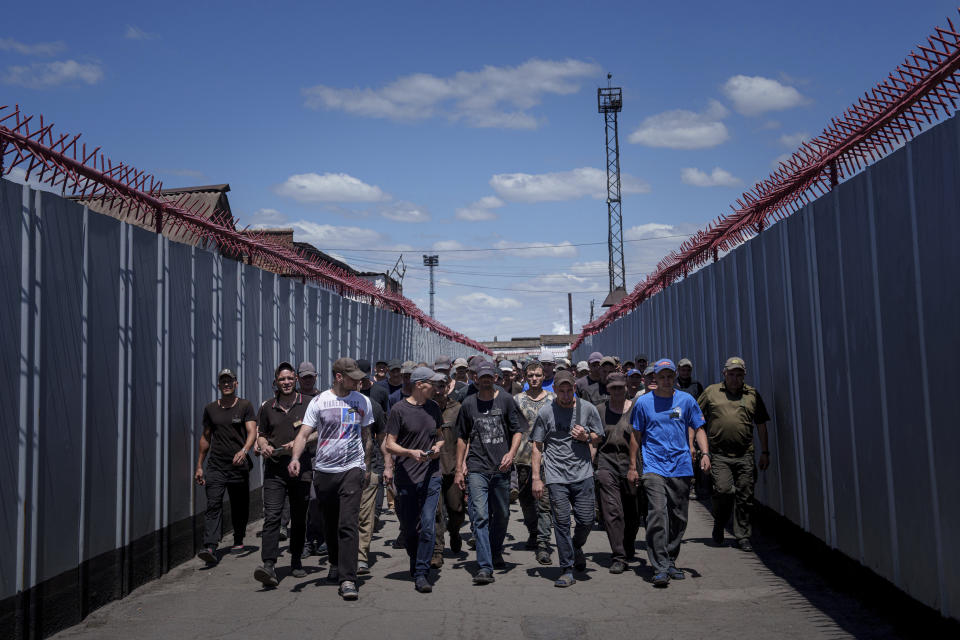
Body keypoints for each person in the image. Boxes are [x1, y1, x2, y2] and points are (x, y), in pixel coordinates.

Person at [288, 357, 374, 601]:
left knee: (348, 523)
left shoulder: (362, 401)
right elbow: (304, 434)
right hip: (324, 471)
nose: (358, 381)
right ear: (339, 377)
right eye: (353, 377)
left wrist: (365, 468)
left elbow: (367, 436)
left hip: (352, 469)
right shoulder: (319, 401)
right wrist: (295, 458)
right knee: (330, 523)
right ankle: (335, 563)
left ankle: (348, 578)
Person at [628, 359, 710, 588]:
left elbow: (699, 427)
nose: (665, 380)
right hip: (653, 466)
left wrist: (705, 453)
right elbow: (636, 436)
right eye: (661, 376)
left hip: (681, 466)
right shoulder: (644, 403)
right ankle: (660, 566)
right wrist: (633, 467)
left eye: (669, 376)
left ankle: (671, 558)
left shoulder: (686, 400)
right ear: (655, 378)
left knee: (678, 517)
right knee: (656, 514)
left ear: (674, 377)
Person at [455, 361, 526, 585]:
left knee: (502, 514)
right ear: (475, 378)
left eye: (489, 377)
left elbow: (517, 431)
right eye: (482, 377)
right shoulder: (468, 404)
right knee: (481, 516)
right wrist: (460, 467)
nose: (486, 380)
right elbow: (461, 437)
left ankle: (496, 551)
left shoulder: (505, 400)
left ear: (495, 378)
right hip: (477, 467)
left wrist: (511, 454)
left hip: (501, 467)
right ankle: (485, 566)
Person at [531, 370, 603, 587]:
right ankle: (567, 569)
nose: (564, 394)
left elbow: (599, 436)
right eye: (560, 390)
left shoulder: (587, 409)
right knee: (561, 522)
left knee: (586, 520)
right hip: (556, 476)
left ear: (574, 389)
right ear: (554, 390)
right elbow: (537, 446)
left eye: (568, 390)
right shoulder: (545, 413)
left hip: (582, 474)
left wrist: (587, 436)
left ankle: (575, 545)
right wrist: (537, 478)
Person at [697, 357, 771, 552]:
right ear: (724, 374)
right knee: (723, 491)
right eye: (731, 374)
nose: (735, 378)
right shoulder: (711, 392)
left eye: (739, 375)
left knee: (745, 496)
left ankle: (742, 536)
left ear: (744, 375)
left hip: (745, 454)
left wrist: (765, 452)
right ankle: (720, 522)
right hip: (719, 454)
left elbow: (761, 424)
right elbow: (695, 418)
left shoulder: (752, 394)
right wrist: (698, 448)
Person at [384, 366, 446, 593]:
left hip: (432, 474)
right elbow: (389, 444)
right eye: (433, 384)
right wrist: (410, 453)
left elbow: (440, 436)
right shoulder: (399, 410)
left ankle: (421, 572)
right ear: (420, 385)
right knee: (411, 528)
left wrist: (437, 447)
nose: (437, 389)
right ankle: (415, 558)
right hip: (407, 476)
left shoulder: (434, 408)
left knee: (428, 525)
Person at [253, 362, 312, 586]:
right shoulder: (268, 407)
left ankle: (296, 561)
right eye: (281, 379)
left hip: (301, 469)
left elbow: (317, 431)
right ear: (275, 382)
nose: (286, 383)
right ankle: (268, 564)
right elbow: (261, 434)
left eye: (289, 379)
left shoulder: (308, 404)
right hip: (275, 470)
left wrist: (299, 442)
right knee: (272, 517)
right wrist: (264, 444)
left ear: (295, 380)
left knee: (298, 518)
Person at [195, 368, 257, 565]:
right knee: (213, 504)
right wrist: (199, 465)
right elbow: (205, 438)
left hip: (238, 466)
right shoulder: (210, 409)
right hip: (216, 466)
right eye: (223, 381)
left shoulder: (245, 406)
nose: (227, 384)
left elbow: (252, 432)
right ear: (219, 385)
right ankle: (210, 546)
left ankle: (238, 539)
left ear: (236, 383)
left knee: (239, 505)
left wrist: (244, 450)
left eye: (230, 381)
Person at [594, 373, 640, 574]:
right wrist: (590, 465)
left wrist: (634, 467)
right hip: (607, 463)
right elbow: (594, 441)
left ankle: (628, 544)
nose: (617, 391)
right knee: (613, 511)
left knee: (633, 513)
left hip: (632, 465)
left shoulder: (636, 408)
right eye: (613, 388)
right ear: (608, 389)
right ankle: (619, 556)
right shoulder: (599, 411)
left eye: (621, 387)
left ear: (626, 387)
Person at [513, 361, 555, 565]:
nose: (534, 379)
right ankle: (533, 531)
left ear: (543, 376)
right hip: (522, 458)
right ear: (525, 376)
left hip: (549, 459)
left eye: (538, 375)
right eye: (530, 376)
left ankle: (543, 544)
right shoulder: (516, 400)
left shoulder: (553, 399)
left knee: (545, 503)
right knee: (527, 501)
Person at [431, 369, 466, 567]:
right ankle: (437, 552)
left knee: (456, 509)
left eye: (441, 386)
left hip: (453, 468)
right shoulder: (425, 408)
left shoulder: (458, 408)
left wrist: (464, 464)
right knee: (436, 513)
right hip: (433, 470)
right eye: (434, 386)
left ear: (448, 387)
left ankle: (455, 532)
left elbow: (465, 437)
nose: (438, 390)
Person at [356, 359, 388, 575]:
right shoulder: (341, 404)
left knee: (365, 515)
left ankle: (360, 556)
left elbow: (382, 436)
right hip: (344, 466)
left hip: (371, 464)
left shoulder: (374, 405)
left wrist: (387, 465)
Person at [298, 361, 328, 560]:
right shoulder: (294, 399)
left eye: (311, 376)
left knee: (318, 499)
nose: (307, 380)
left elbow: (325, 427)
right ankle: (307, 541)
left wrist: (304, 438)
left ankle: (322, 537)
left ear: (315, 377)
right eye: (304, 376)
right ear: (299, 377)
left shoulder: (323, 399)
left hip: (318, 456)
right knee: (302, 503)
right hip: (298, 457)